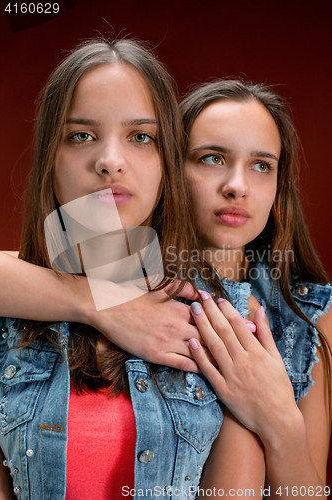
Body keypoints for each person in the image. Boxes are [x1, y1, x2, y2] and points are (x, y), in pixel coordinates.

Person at [0, 40, 264, 499]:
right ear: (50, 159)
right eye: (81, 135)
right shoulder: (9, 317)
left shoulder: (225, 318)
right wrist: (100, 305)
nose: (110, 161)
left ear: (168, 162)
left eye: (141, 137)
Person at [177, 80, 332, 497]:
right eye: (212, 158)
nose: (237, 185)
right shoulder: (117, 277)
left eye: (261, 165)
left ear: (278, 186)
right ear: (172, 168)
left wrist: (279, 420)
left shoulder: (309, 313)